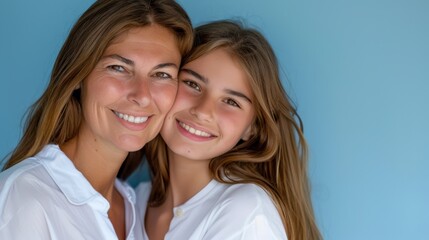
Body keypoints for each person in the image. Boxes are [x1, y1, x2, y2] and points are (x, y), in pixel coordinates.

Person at [0, 0, 193, 239]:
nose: (142, 96)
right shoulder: (24, 199)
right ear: (79, 75)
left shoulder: (134, 207)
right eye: (118, 68)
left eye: (162, 74)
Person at [132, 20, 322, 240]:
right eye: (193, 84)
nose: (203, 111)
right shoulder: (134, 200)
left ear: (251, 128)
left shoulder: (245, 213)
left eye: (231, 102)